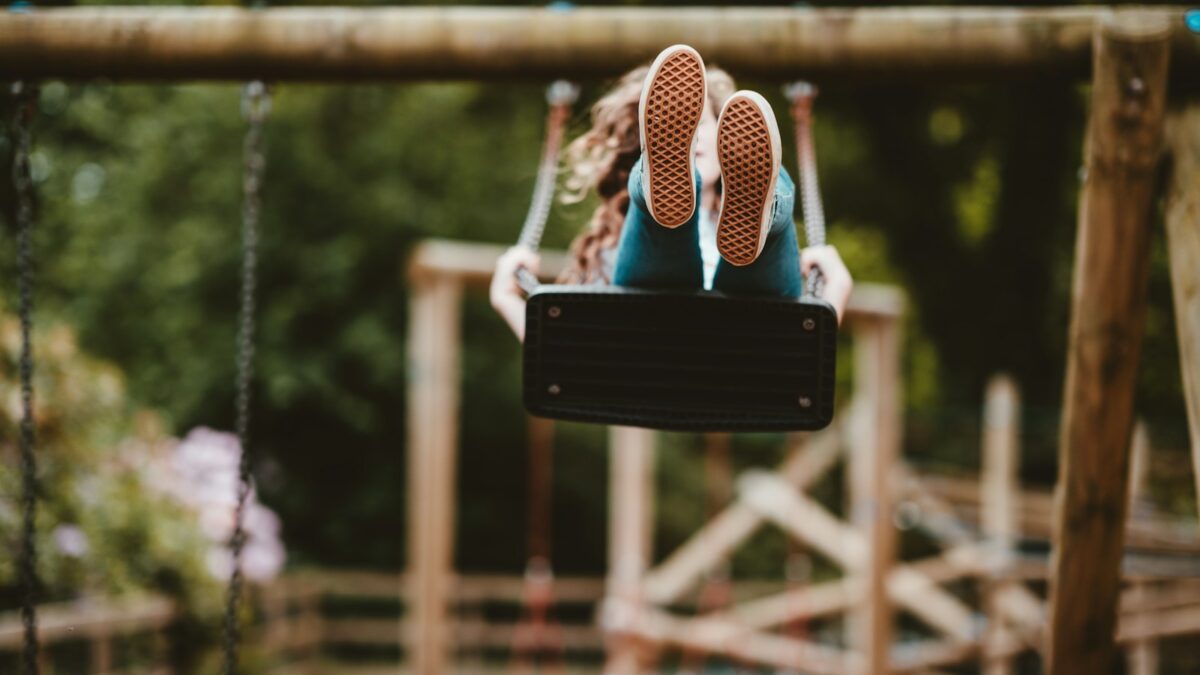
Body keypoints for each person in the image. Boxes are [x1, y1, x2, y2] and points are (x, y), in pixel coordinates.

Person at [491, 44, 852, 342]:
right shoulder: (609, 246)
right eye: (681, 128)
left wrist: (509, 298)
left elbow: (564, 363)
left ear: (729, 134)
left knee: (760, 247)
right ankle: (658, 193)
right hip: (721, 347)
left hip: (739, 334)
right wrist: (835, 291)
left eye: (701, 124)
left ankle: (763, 209)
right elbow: (804, 360)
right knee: (656, 231)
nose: (693, 135)